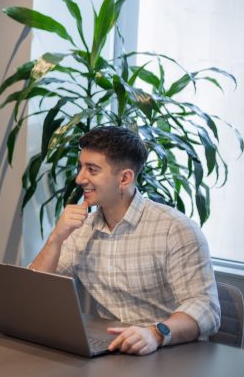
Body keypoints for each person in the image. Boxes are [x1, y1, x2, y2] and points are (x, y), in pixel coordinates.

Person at [29, 126, 220, 355]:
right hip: (115, 351)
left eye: (92, 169)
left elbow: (206, 309)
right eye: (81, 167)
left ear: (124, 178)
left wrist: (155, 334)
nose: (80, 179)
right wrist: (56, 238)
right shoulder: (82, 230)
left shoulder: (175, 229)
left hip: (172, 353)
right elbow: (34, 293)